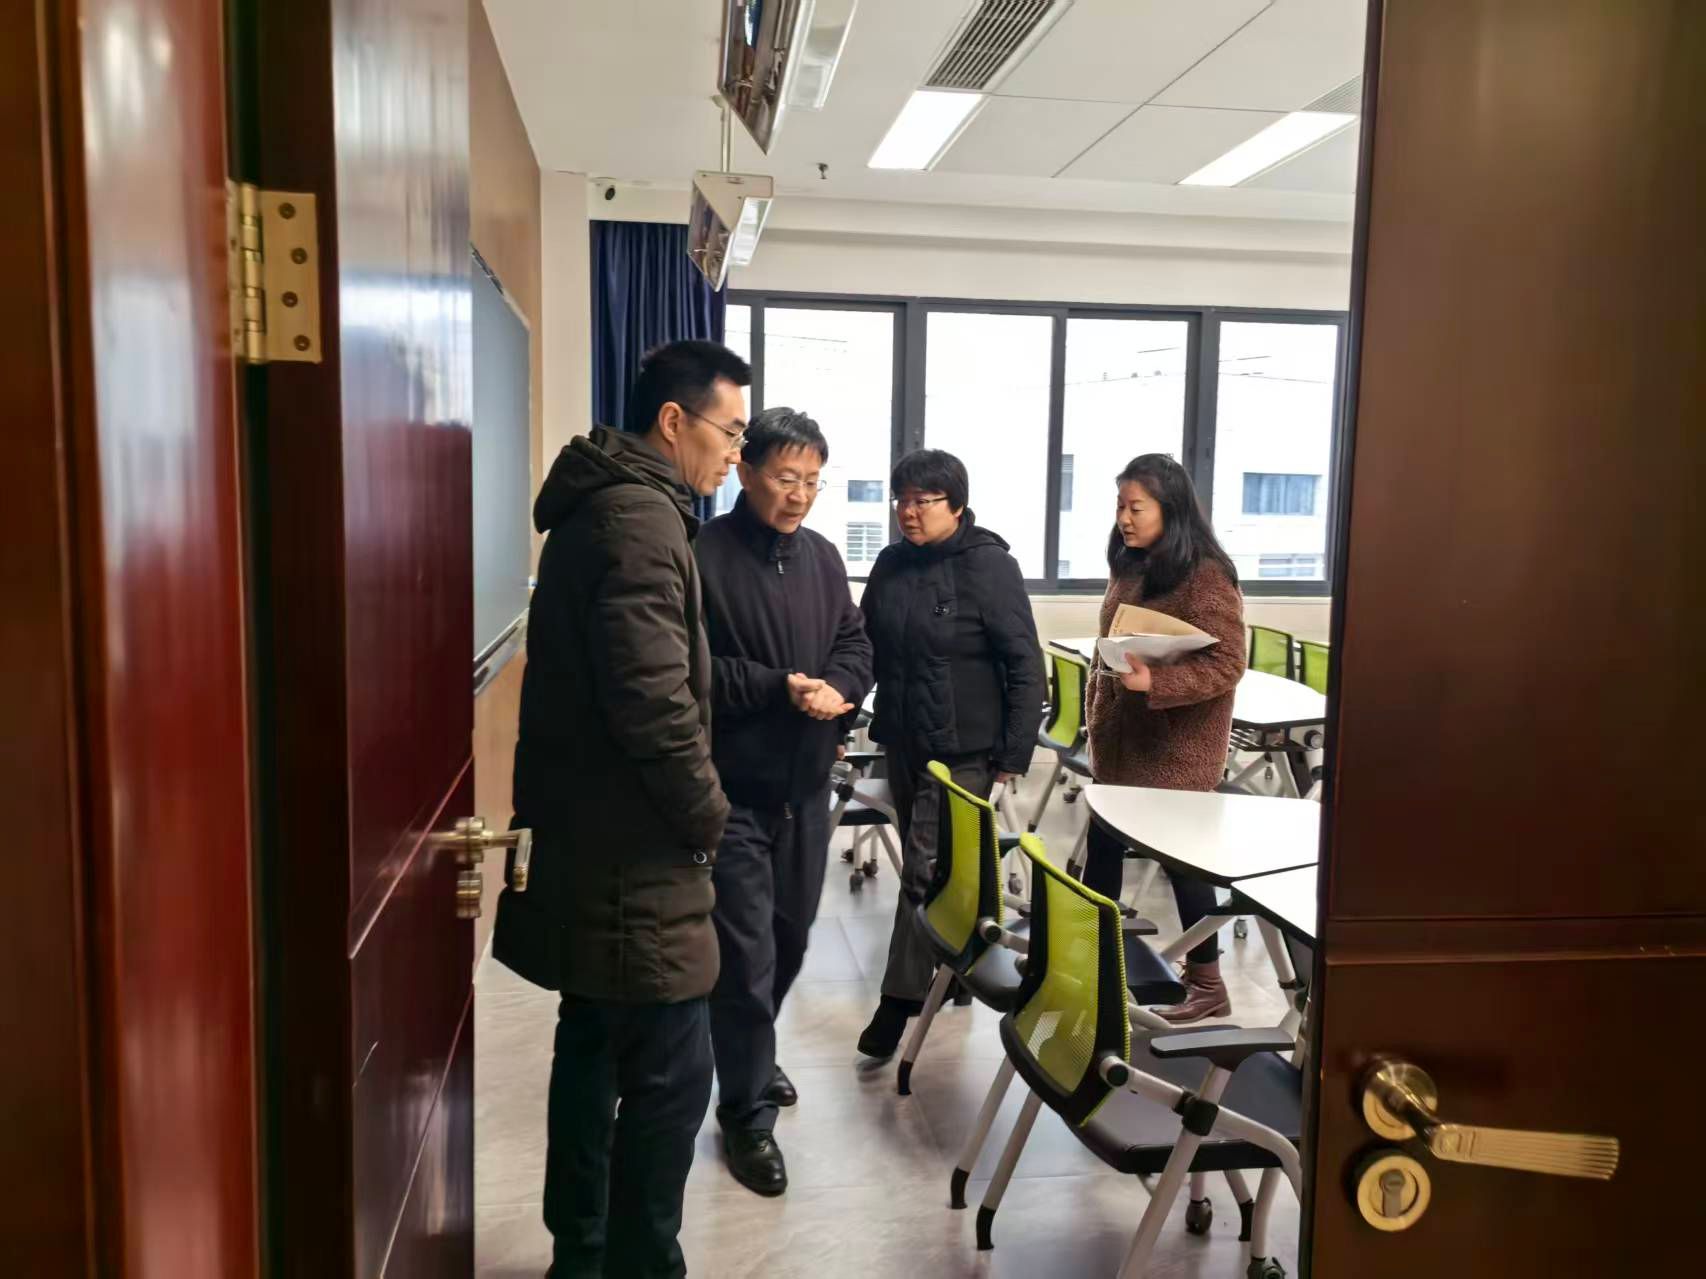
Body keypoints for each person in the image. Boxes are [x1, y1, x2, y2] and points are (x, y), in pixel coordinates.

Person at [495, 339, 750, 1279]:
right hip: (635, 864)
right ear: (674, 421)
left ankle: (583, 1253)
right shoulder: (638, 520)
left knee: (592, 1049)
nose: (737, 454)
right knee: (669, 1083)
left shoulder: (613, 505)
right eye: (731, 432)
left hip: (599, 848)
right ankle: (639, 1262)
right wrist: (711, 816)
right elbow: (653, 706)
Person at [694, 407, 874, 1197]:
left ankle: (753, 1051)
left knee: (792, 937)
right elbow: (695, 668)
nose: (799, 494)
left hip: (806, 789)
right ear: (745, 471)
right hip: (733, 793)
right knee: (744, 957)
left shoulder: (824, 558)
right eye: (785, 477)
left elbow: (855, 641)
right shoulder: (702, 556)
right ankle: (746, 1114)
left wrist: (842, 686)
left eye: (812, 481)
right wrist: (779, 686)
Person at [854, 448, 1045, 1059]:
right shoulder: (890, 563)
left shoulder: (988, 566)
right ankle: (956, 968)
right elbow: (864, 646)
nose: (908, 512)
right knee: (943, 870)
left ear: (956, 505)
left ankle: (898, 1003)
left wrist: (1013, 754)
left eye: (923, 501)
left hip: (964, 750)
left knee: (921, 869)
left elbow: (1025, 664)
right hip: (904, 739)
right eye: (901, 500)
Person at [1083, 453, 1248, 1024]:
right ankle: (1093, 958)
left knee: (1183, 865)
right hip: (1123, 740)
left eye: (1137, 507)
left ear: (1170, 509)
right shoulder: (1133, 562)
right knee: (1102, 845)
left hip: (1175, 750)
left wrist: (1158, 681)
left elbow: (1228, 663)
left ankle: (1207, 983)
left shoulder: (1205, 573)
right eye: (1120, 506)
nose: (1124, 518)